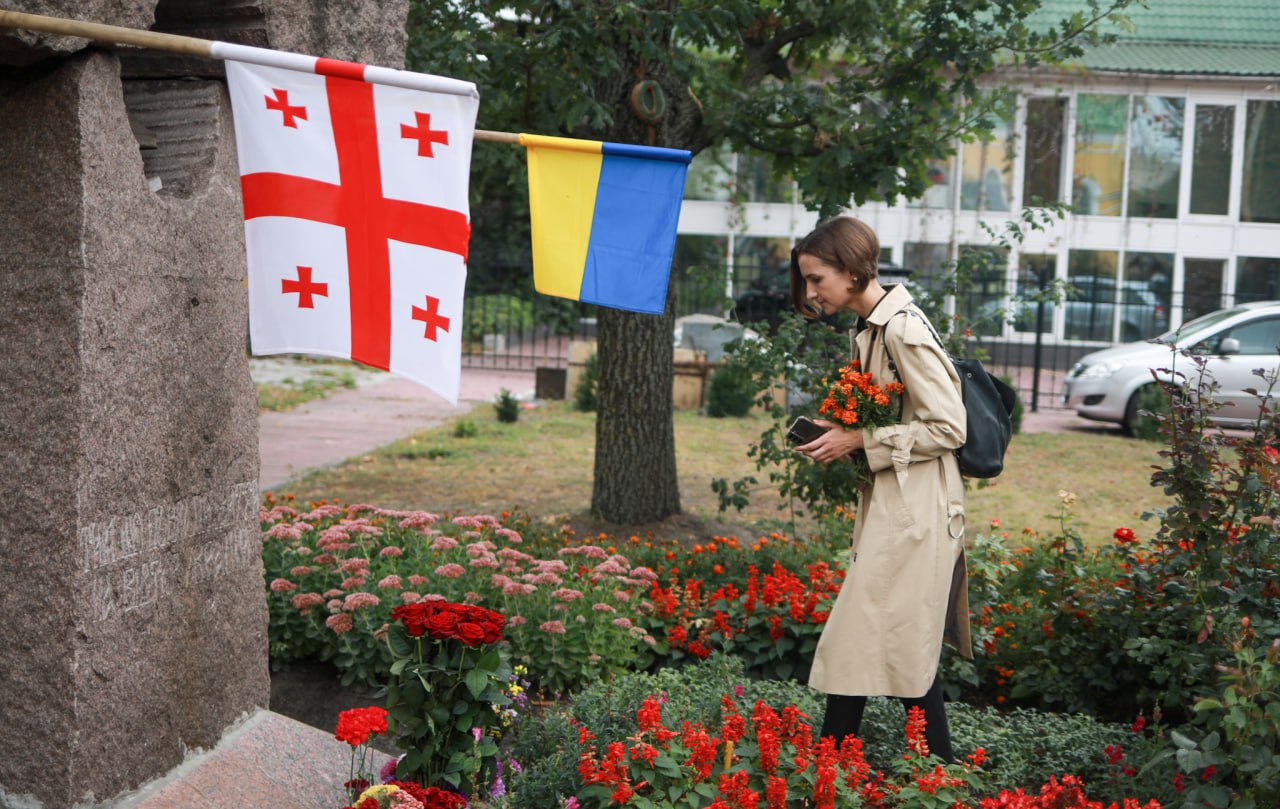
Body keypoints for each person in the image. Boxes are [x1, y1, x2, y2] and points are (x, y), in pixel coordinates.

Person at [789, 216, 972, 762]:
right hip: (900, 505)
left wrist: (859, 441)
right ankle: (932, 768)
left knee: (864, 632)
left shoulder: (901, 330)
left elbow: (950, 427)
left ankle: (835, 767)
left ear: (850, 271)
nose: (811, 291)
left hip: (919, 510)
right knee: (890, 637)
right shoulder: (871, 327)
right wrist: (841, 436)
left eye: (817, 278)